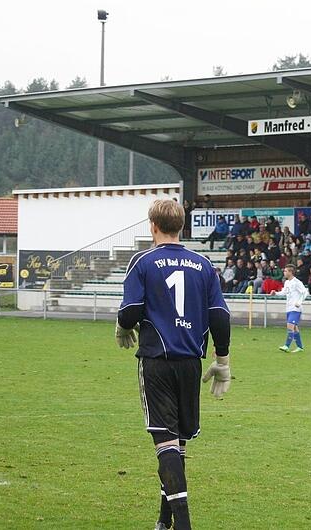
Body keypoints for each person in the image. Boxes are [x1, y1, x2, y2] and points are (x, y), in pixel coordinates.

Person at [115, 199, 231, 530]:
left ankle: (182, 525)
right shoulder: (204, 264)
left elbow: (130, 312)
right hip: (190, 363)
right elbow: (220, 317)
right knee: (175, 446)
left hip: (157, 361)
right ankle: (164, 522)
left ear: (152, 225)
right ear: (181, 227)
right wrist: (222, 358)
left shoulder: (143, 261)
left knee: (165, 445)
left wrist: (123, 327)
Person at [271, 265, 308, 353]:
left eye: (286, 271)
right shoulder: (287, 282)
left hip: (295, 308)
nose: (284, 272)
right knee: (294, 328)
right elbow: (284, 292)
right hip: (289, 307)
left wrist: (299, 302)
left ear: (291, 272)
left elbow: (305, 292)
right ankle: (300, 347)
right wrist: (275, 293)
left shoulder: (297, 282)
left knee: (290, 326)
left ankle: (286, 346)